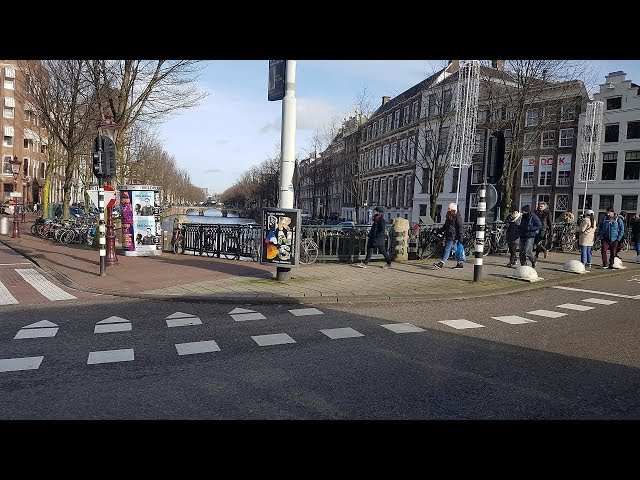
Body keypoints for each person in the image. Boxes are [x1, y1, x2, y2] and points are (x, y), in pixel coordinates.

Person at [433, 203, 464, 269]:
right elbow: (445, 226)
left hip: (453, 236)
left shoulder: (457, 217)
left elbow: (460, 227)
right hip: (449, 235)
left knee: (447, 249)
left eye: (449, 209)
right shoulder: (450, 216)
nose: (448, 210)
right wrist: (439, 231)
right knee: (454, 249)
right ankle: (459, 263)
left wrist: (461, 237)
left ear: (453, 209)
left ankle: (441, 263)